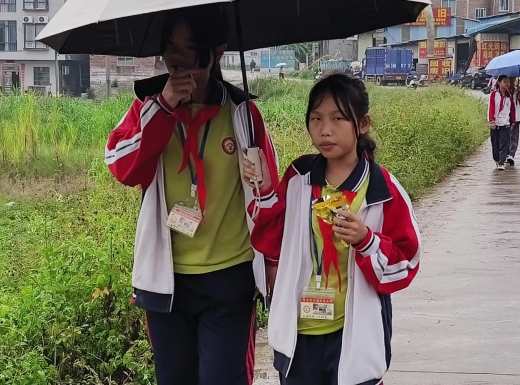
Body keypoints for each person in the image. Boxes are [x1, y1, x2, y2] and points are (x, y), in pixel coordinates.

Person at [104, 7, 279, 385]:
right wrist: (163, 108)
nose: (179, 60)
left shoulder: (243, 114)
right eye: (171, 49)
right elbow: (122, 166)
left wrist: (262, 184)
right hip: (167, 282)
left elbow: (270, 198)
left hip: (229, 279)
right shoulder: (149, 107)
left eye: (191, 49)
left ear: (216, 53)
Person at [244, 74, 421, 385]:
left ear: (362, 123)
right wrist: (264, 188)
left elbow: (406, 264)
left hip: (354, 339)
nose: (324, 130)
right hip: (299, 337)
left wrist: (366, 241)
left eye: (338, 118)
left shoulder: (383, 190)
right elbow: (270, 242)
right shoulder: (299, 178)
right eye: (316, 119)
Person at [488, 75, 516, 171]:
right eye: (504, 82)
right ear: (499, 83)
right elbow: (491, 108)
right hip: (495, 123)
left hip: (506, 123)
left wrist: (513, 121)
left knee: (504, 143)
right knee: (495, 143)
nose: (506, 84)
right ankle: (497, 159)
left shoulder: (509, 96)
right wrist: (491, 120)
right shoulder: (494, 94)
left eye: (508, 82)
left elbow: (512, 110)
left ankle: (501, 162)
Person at [507, 76, 520, 166]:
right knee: (507, 137)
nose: (513, 81)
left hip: (517, 117)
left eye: (514, 80)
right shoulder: (505, 91)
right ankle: (506, 153)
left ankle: (511, 155)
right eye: (511, 79)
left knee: (514, 137)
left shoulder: (516, 90)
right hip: (506, 118)